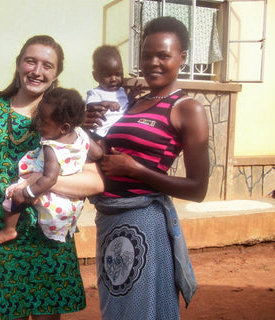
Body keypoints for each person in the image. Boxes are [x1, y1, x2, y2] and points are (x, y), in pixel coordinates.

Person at [85, 16, 209, 319]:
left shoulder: (187, 109)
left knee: (137, 311)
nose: (152, 62)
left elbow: (198, 189)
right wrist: (87, 125)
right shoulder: (132, 100)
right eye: (146, 55)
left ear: (181, 58)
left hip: (143, 221)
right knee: (116, 308)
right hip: (109, 218)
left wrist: (136, 170)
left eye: (163, 55)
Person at [0, 35, 103, 320]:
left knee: (47, 314)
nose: (37, 71)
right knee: (8, 311)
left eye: (47, 65)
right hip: (5, 227)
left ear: (56, 73)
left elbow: (95, 182)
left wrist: (37, 183)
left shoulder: (66, 114)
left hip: (50, 229)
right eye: (31, 61)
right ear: (19, 63)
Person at [0, 87, 103, 245]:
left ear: (64, 127)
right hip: (71, 197)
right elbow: (98, 153)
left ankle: (9, 229)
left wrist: (27, 193)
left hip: (47, 189)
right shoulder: (81, 134)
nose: (38, 124)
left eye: (43, 121)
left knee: (13, 195)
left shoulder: (52, 148)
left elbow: (49, 179)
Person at [86, 45, 129, 139]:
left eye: (118, 74)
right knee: (99, 150)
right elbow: (90, 105)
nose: (113, 79)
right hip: (101, 132)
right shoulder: (96, 92)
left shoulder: (122, 91)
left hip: (119, 130)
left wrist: (132, 97)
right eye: (107, 75)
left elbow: (126, 106)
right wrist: (105, 104)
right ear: (95, 76)